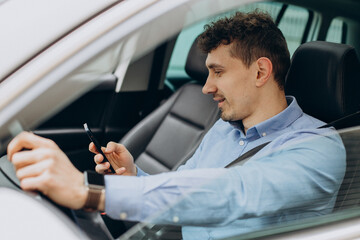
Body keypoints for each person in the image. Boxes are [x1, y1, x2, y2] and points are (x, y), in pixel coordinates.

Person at [7, 11, 345, 239]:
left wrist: (93, 193)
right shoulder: (224, 129)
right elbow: (184, 191)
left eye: (218, 72)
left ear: (260, 72)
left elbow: (234, 192)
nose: (207, 87)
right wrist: (133, 176)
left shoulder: (320, 148)